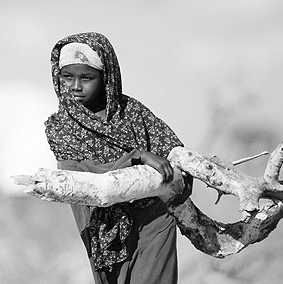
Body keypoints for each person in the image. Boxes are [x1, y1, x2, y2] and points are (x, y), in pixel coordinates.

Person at [45, 32, 192, 284]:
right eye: (67, 77)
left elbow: (173, 153)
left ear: (107, 78)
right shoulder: (61, 126)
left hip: (152, 219)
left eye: (87, 78)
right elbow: (82, 178)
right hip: (102, 229)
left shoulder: (132, 112)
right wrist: (138, 157)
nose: (76, 86)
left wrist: (182, 173)